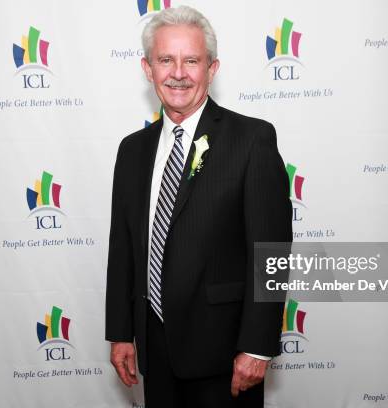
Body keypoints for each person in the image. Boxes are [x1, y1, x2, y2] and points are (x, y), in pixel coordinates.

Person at [105, 6, 292, 407]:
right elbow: (123, 248)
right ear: (147, 68)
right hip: (154, 353)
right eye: (165, 60)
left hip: (225, 357)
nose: (178, 72)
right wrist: (121, 332)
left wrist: (257, 347)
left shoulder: (252, 140)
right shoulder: (132, 150)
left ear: (212, 68)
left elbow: (271, 254)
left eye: (191, 60)